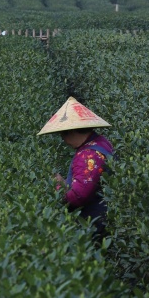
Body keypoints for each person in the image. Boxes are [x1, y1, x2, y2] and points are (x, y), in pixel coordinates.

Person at [38, 97, 114, 238]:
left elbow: (77, 197)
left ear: (71, 131)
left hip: (93, 223)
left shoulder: (88, 156)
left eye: (63, 135)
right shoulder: (101, 141)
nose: (63, 140)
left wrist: (58, 186)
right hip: (106, 214)